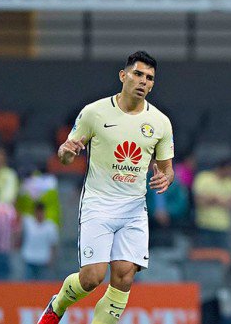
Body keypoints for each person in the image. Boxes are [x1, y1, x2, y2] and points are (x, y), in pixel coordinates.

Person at [37, 51, 175, 324]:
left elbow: (166, 167)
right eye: (138, 74)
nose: (143, 81)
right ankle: (57, 305)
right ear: (123, 76)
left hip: (134, 208)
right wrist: (67, 152)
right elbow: (66, 154)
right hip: (98, 204)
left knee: (124, 276)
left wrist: (166, 177)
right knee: (92, 278)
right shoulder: (94, 112)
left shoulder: (160, 122)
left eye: (149, 78)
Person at [192, 158, 231, 249]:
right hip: (204, 225)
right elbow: (198, 201)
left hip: (223, 226)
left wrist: (213, 199)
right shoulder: (203, 178)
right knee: (204, 254)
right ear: (224, 168)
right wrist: (219, 200)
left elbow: (230, 204)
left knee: (223, 255)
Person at [21, 202, 59, 280]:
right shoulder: (28, 222)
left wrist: (51, 259)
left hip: (43, 259)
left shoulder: (50, 226)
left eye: (41, 212)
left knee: (42, 284)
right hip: (29, 258)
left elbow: (53, 245)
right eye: (37, 211)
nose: (39, 214)